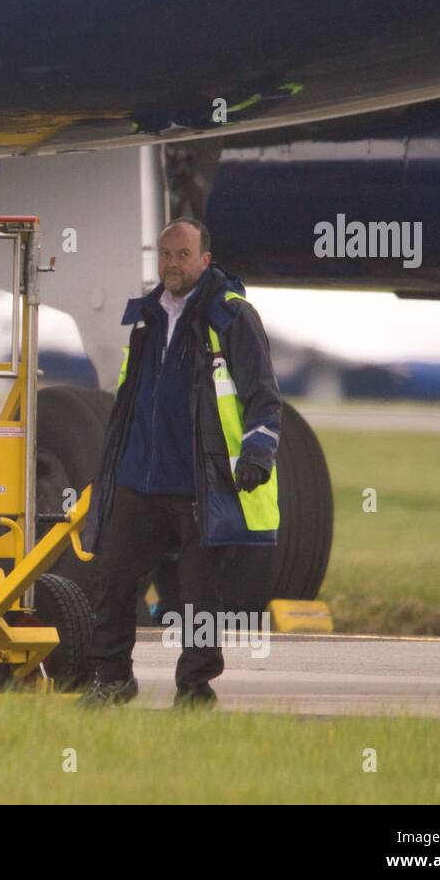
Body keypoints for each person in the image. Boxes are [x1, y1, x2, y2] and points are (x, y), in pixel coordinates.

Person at [78, 217, 282, 709]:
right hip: (140, 479)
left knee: (198, 600)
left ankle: (194, 691)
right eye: (166, 254)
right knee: (113, 581)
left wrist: (257, 452)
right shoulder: (147, 316)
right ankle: (112, 680)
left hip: (200, 483)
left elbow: (264, 398)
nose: (173, 264)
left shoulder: (231, 316)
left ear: (205, 260)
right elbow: (131, 397)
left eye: (183, 255)